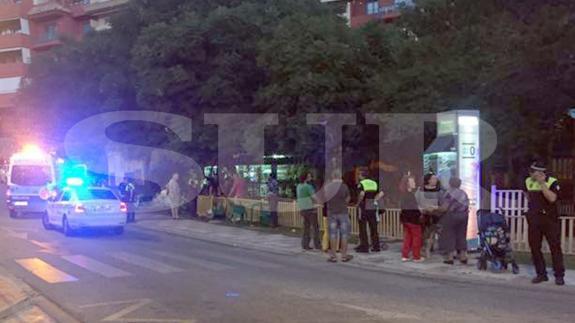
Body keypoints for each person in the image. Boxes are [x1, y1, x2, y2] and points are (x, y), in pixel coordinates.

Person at [524, 162, 565, 285]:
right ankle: (541, 274)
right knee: (535, 247)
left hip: (549, 219)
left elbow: (552, 198)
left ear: (540, 172)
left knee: (555, 247)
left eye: (533, 171)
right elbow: (528, 196)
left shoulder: (552, 181)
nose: (530, 173)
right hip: (534, 219)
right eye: (530, 171)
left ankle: (559, 275)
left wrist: (542, 184)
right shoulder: (527, 181)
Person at [434, 177, 469, 265]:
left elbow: (444, 208)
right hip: (464, 215)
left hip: (452, 216)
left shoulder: (449, 193)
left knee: (449, 235)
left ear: (450, 183)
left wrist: (435, 209)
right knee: (461, 235)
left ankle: (449, 257)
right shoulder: (463, 193)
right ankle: (463, 256)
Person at [324, 171, 353, 263]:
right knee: (344, 234)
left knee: (332, 234)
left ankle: (333, 256)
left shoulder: (328, 187)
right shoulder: (344, 186)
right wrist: (343, 203)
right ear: (340, 176)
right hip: (343, 212)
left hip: (331, 213)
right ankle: (344, 256)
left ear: (333, 176)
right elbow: (348, 198)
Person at [415, 172, 444, 258]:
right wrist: (420, 209)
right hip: (423, 215)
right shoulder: (420, 190)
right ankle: (423, 249)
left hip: (435, 215)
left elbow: (443, 204)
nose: (435, 180)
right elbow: (415, 202)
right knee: (424, 234)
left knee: (432, 233)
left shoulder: (439, 191)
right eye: (433, 178)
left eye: (436, 178)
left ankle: (428, 249)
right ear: (428, 180)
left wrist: (435, 207)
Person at [355, 171, 383, 253]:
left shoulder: (361, 183)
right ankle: (376, 246)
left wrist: (358, 203)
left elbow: (362, 194)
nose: (358, 176)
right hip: (372, 206)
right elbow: (381, 193)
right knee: (373, 227)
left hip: (363, 207)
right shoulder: (374, 183)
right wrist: (374, 200)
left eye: (359, 175)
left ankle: (364, 246)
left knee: (362, 227)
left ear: (362, 176)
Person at [400, 174, 424, 262]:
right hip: (413, 220)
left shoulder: (404, 194)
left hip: (405, 219)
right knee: (416, 238)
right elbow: (414, 209)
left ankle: (405, 255)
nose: (414, 182)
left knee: (408, 237)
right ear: (408, 183)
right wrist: (420, 212)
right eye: (412, 181)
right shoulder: (410, 195)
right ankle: (416, 257)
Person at [297, 172, 321, 251]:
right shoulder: (308, 187)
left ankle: (305, 244)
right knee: (315, 227)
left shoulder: (299, 186)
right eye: (309, 176)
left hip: (302, 208)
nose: (311, 177)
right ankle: (317, 244)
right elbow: (314, 197)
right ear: (306, 178)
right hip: (311, 209)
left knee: (306, 227)